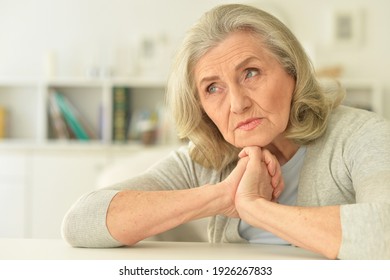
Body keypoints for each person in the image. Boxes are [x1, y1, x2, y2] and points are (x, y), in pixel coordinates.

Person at [62, 4, 390, 259]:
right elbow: (80, 223)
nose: (237, 104)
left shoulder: (361, 136)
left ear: (292, 72)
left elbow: (384, 234)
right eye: (213, 88)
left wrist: (256, 208)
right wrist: (222, 196)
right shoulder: (207, 157)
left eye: (250, 73)